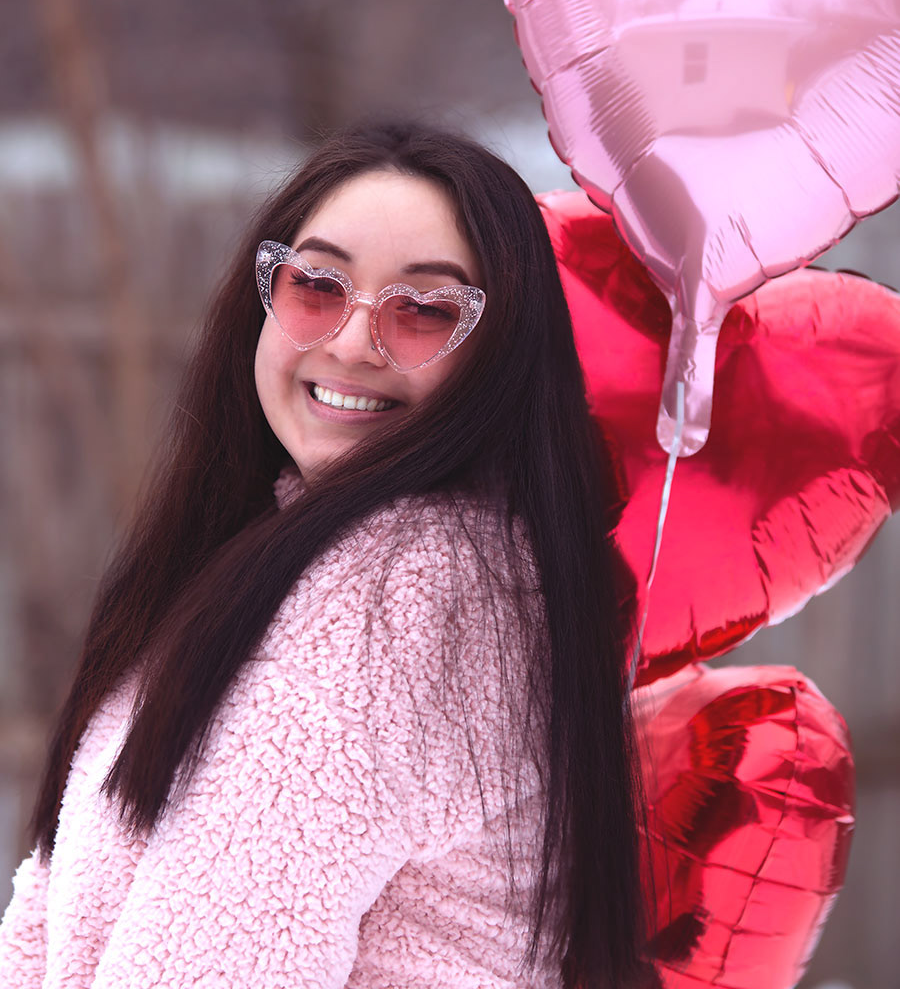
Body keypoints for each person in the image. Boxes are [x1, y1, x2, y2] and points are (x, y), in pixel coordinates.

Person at [0, 121, 652, 988]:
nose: (349, 344)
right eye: (316, 286)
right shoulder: (308, 557)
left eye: (424, 311)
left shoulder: (396, 599)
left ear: (502, 360)